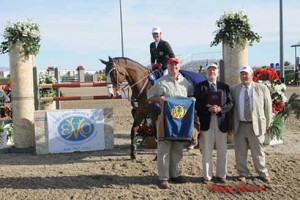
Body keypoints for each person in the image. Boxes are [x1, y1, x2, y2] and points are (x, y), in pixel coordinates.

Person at [147, 57, 194, 189]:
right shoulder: (160, 82)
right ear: (167, 67)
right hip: (164, 120)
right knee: (164, 149)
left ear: (179, 67)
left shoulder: (185, 83)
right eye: (171, 65)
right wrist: (159, 99)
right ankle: (163, 177)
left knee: (178, 149)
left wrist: (192, 99)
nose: (174, 67)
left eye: (176, 65)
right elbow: (149, 97)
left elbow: (190, 96)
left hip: (180, 121)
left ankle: (175, 174)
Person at [230, 66, 272, 183]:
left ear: (251, 75)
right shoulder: (234, 89)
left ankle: (262, 172)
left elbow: (268, 108)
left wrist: (267, 125)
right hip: (240, 125)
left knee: (258, 150)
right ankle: (242, 173)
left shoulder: (262, 88)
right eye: (242, 74)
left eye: (246, 74)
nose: (244, 76)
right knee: (240, 151)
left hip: (256, 125)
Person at [194, 63, 233, 184]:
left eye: (214, 69)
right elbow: (197, 103)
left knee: (222, 150)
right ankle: (207, 176)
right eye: (210, 69)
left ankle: (221, 175)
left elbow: (230, 103)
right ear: (206, 72)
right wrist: (208, 109)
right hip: (207, 122)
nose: (212, 71)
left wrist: (220, 109)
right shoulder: (200, 87)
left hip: (221, 122)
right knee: (207, 150)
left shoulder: (224, 87)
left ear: (217, 72)